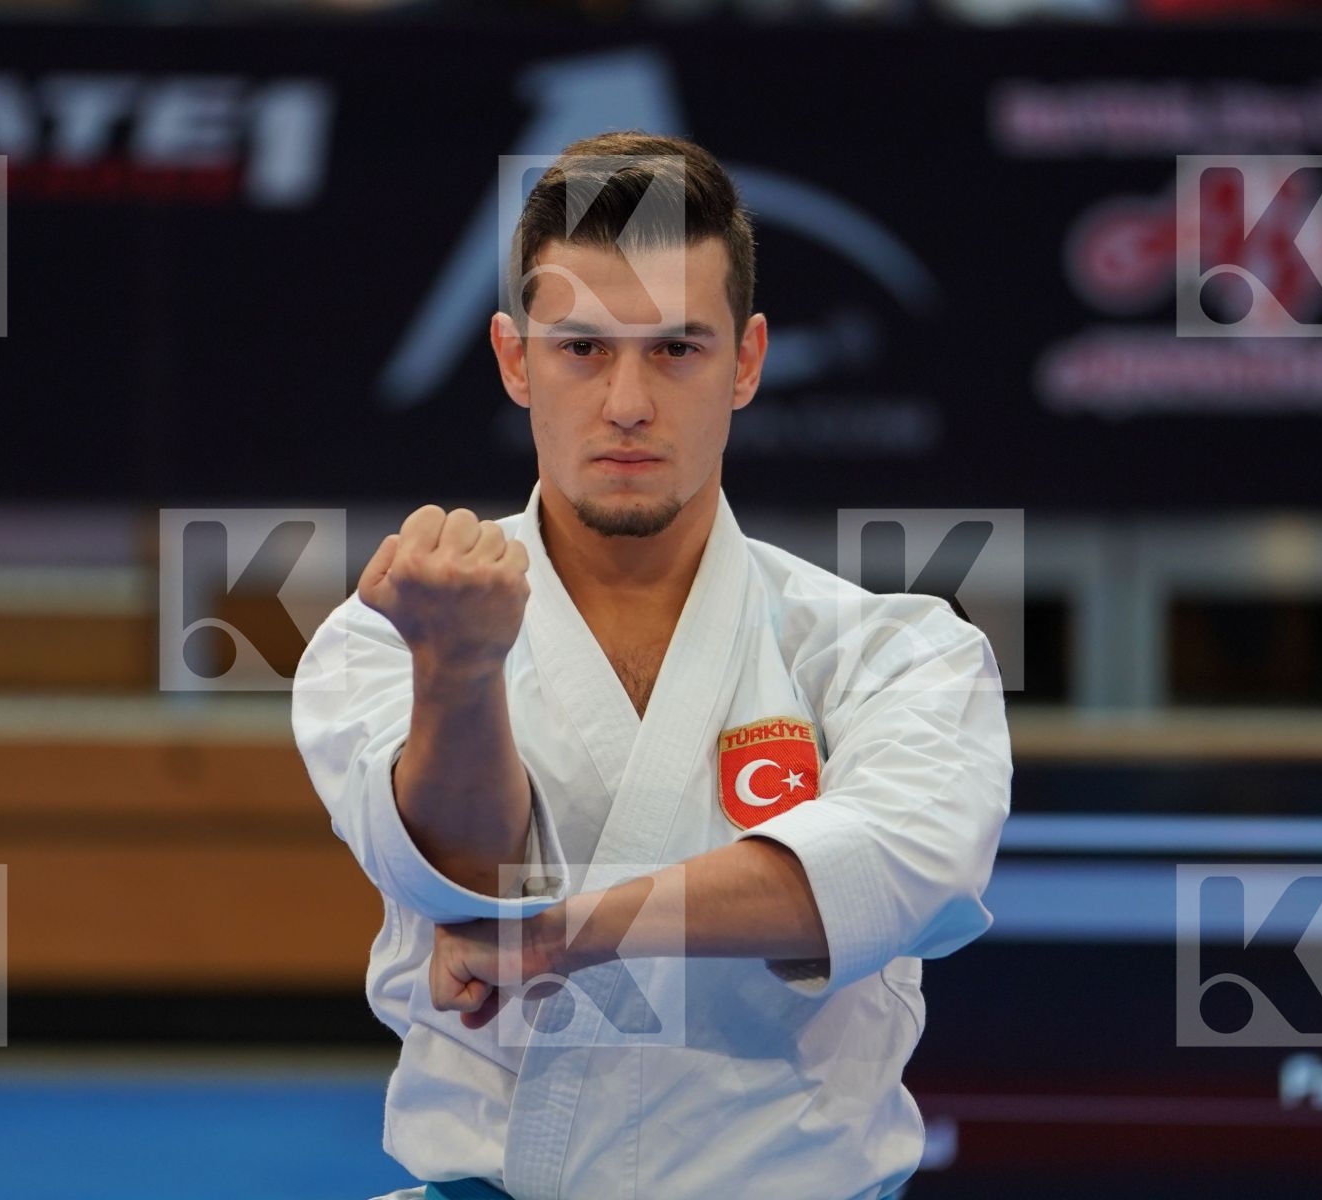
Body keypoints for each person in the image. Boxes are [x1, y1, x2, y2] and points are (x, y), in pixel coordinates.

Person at [291, 130, 1012, 1200]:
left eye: (677, 349)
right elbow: (450, 880)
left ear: (749, 361)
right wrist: (460, 671)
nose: (628, 400)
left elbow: (904, 868)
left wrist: (565, 932)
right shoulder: (392, 630)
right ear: (513, 358)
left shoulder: (893, 648)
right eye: (583, 348)